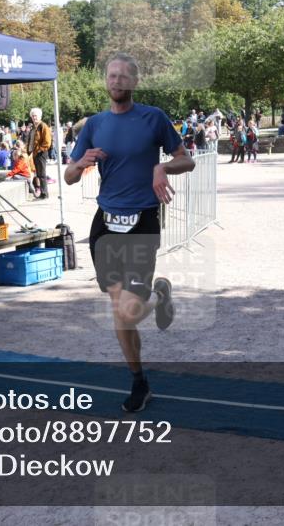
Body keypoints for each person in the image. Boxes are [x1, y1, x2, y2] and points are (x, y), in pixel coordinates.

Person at [64, 53, 194, 413]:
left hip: (142, 221)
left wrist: (162, 166)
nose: (117, 81)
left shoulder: (154, 118)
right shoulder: (94, 125)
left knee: (132, 311)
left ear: (135, 83)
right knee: (120, 313)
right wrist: (81, 163)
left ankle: (159, 293)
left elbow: (188, 159)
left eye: (124, 76)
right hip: (105, 224)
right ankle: (139, 382)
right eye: (112, 75)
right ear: (105, 81)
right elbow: (69, 176)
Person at [26, 107, 52, 200]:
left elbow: (47, 141)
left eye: (35, 116)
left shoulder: (43, 126)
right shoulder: (34, 127)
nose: (34, 117)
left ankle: (45, 194)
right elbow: (31, 141)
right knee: (39, 174)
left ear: (40, 116)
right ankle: (42, 193)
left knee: (42, 174)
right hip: (35, 153)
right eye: (33, 116)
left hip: (41, 153)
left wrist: (40, 150)